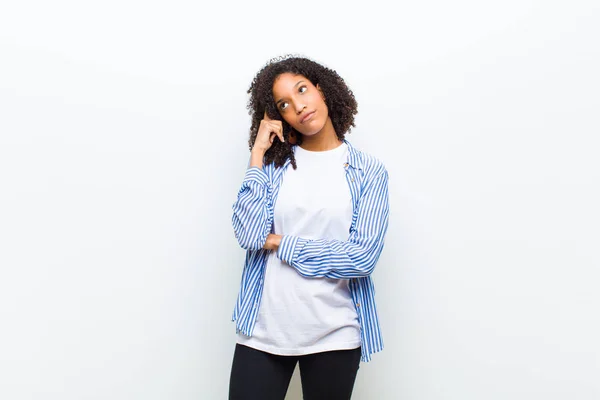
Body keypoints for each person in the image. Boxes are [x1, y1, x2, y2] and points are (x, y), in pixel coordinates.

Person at [228, 55, 390, 400]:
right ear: (278, 116)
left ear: (322, 89)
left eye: (302, 90)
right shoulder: (274, 166)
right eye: (284, 104)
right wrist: (257, 153)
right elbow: (250, 234)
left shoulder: (368, 172)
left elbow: (361, 258)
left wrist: (282, 243)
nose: (298, 106)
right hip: (264, 331)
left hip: (334, 333)